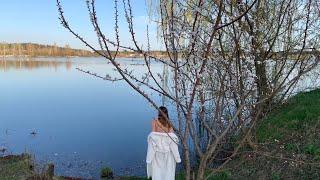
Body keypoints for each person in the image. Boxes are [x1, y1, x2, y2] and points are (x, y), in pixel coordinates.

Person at [146, 106, 181, 180]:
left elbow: (153, 135)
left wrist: (149, 159)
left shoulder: (154, 121)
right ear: (166, 113)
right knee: (168, 172)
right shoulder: (169, 123)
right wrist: (177, 158)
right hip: (168, 154)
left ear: (159, 113)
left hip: (157, 152)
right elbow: (172, 140)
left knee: (157, 172)